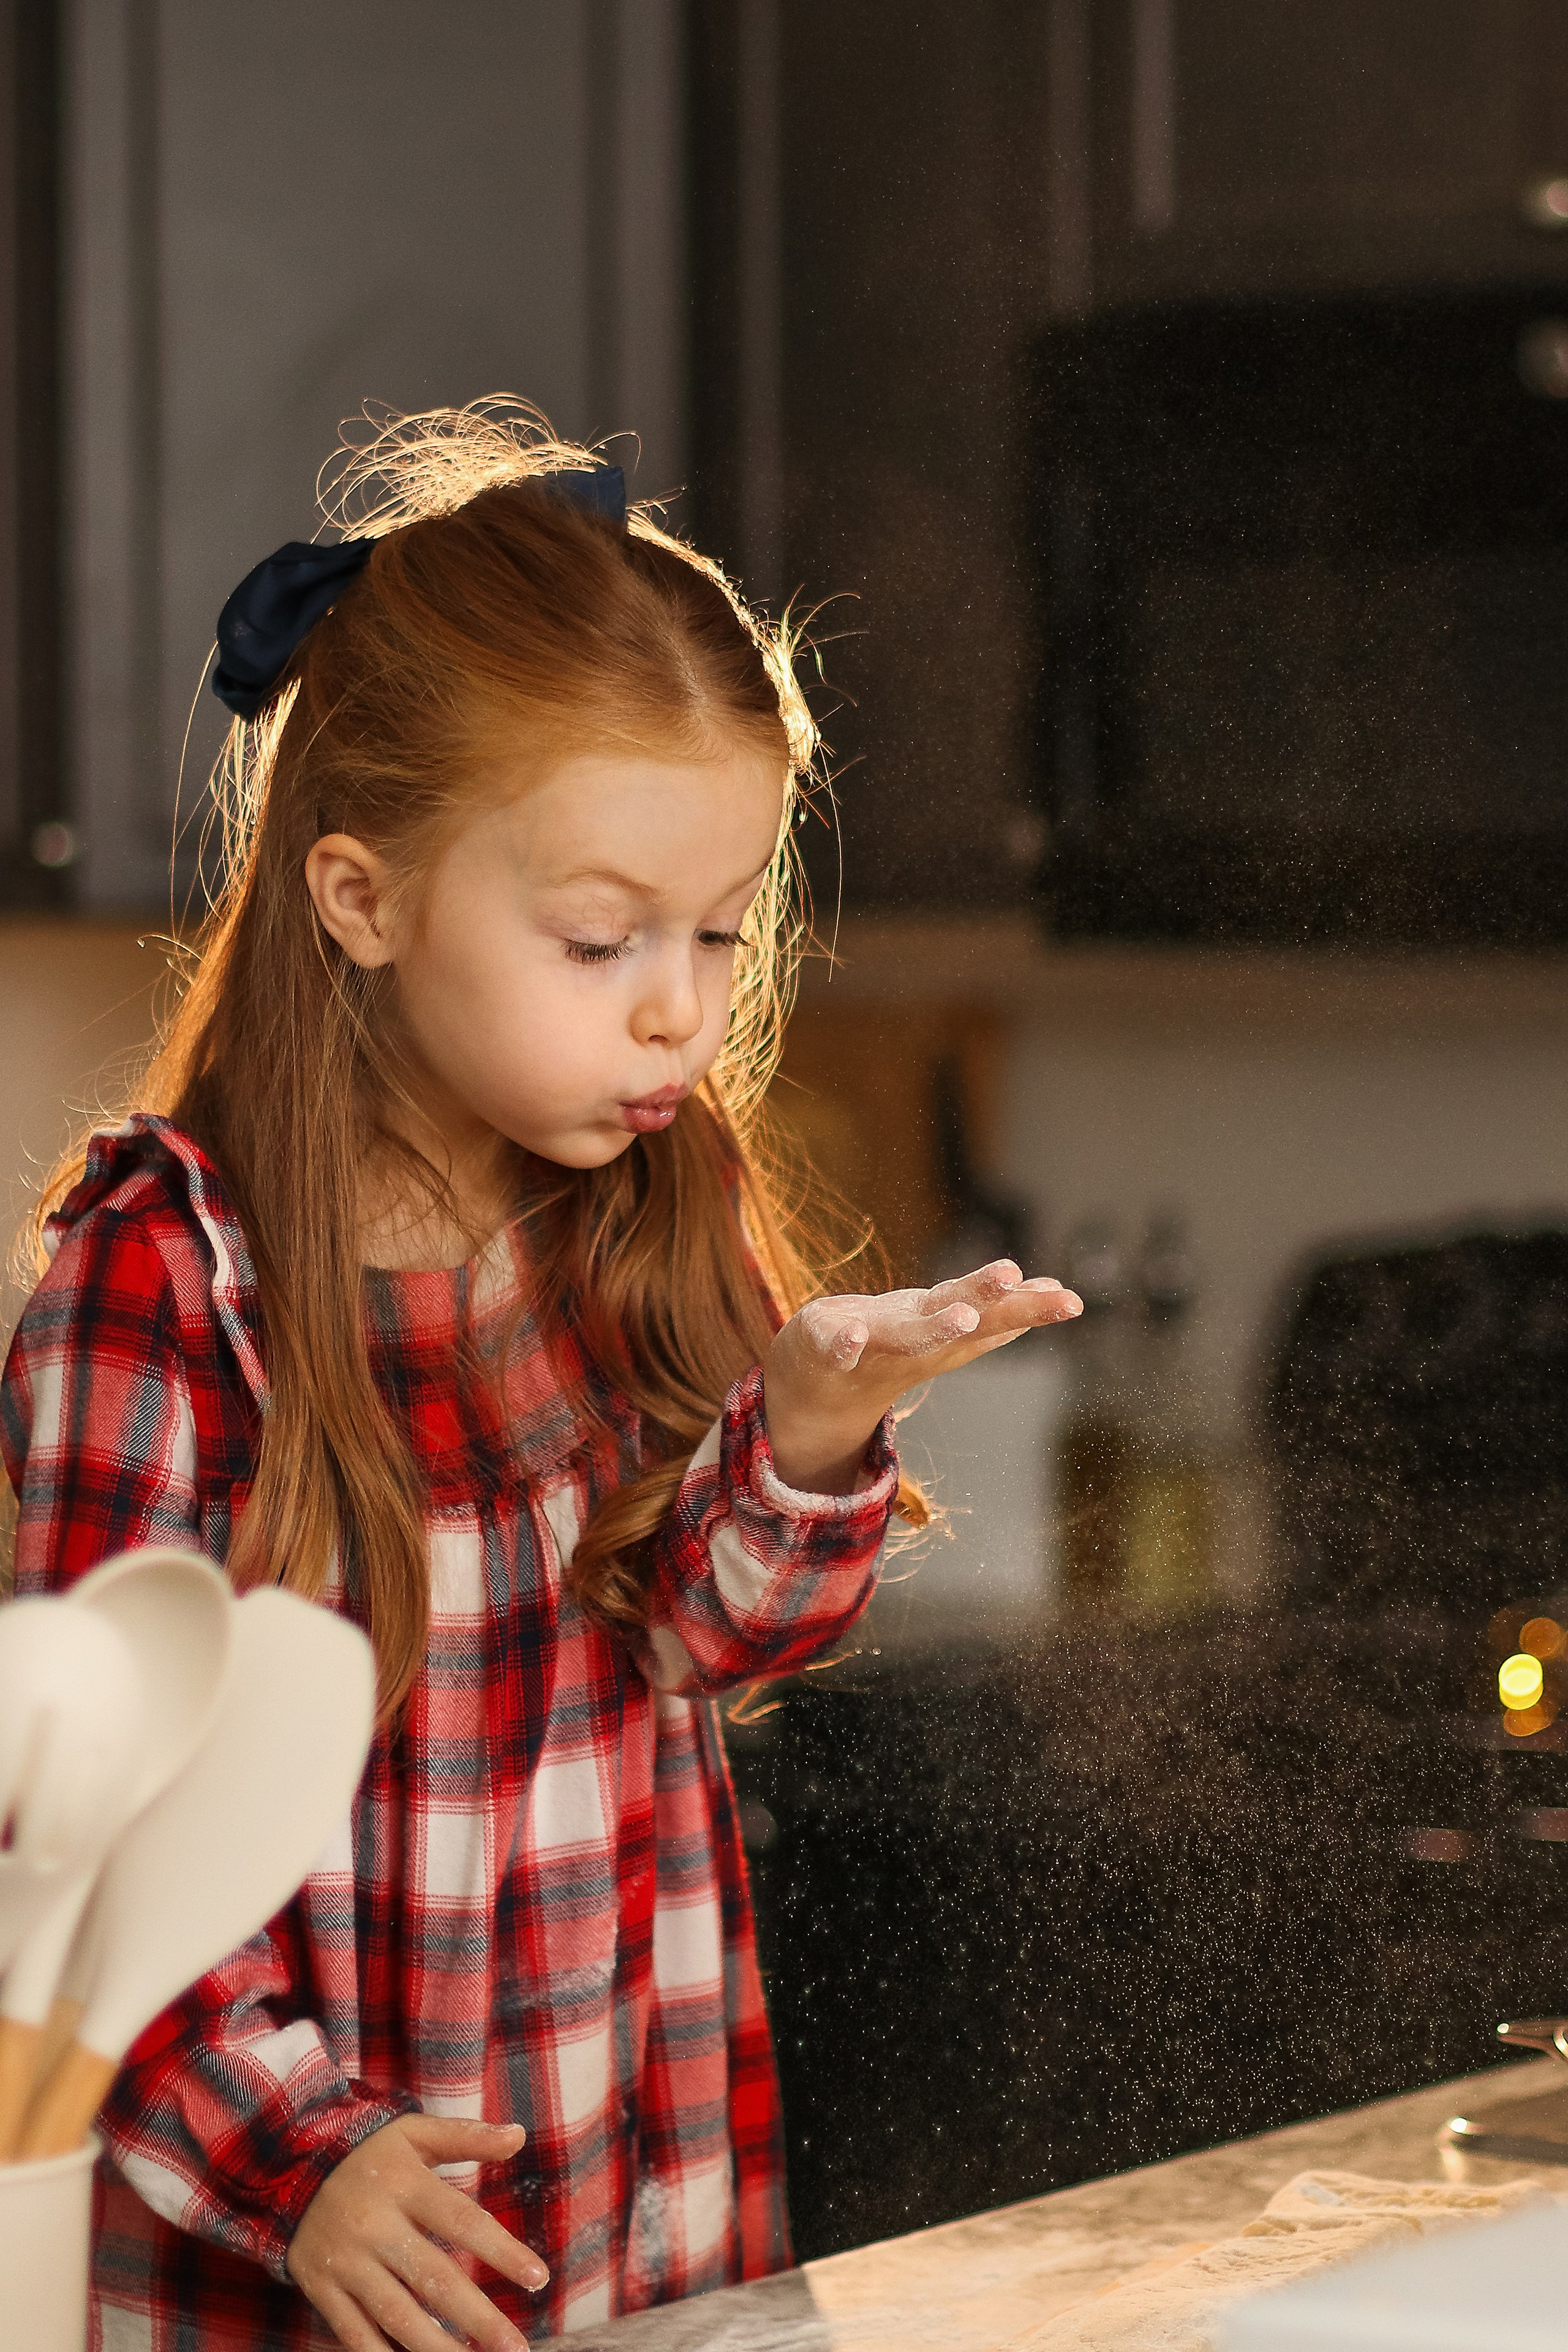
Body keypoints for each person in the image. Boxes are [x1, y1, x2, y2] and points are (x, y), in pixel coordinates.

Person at [1, 401, 1081, 2352]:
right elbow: (72, 1857)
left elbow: (694, 1642)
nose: (680, 1003)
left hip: (639, 2228)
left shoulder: (646, 1193)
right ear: (362, 898)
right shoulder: (167, 1282)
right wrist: (300, 2159)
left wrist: (811, 1435)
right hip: (293, 2268)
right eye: (600, 937)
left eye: (720, 933)